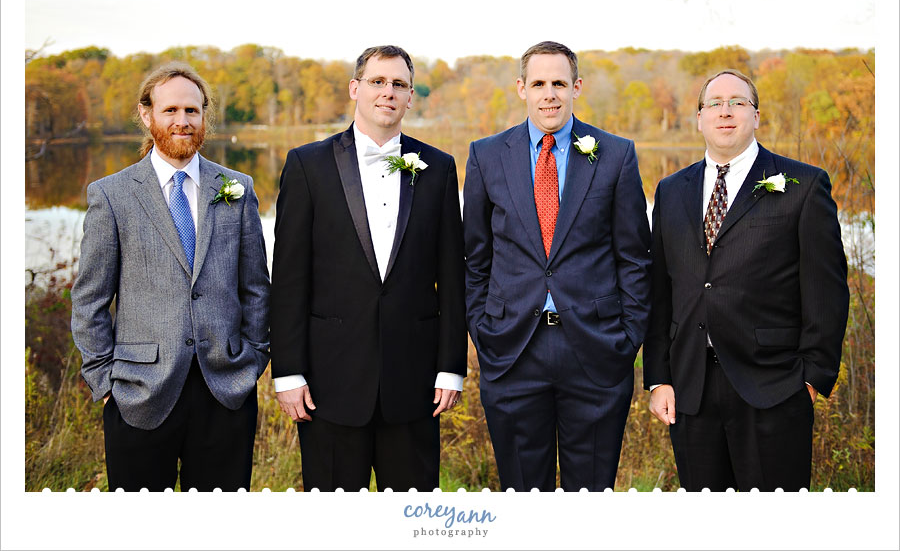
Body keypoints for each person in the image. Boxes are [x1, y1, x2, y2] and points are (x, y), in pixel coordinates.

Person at [269, 45, 467, 492]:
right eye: (378, 81)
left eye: (399, 84)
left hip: (415, 386)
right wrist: (288, 371)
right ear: (355, 89)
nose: (388, 92)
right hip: (328, 385)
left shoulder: (438, 167)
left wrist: (451, 367)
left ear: (411, 97)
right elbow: (289, 279)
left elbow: (453, 277)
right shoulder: (307, 164)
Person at [643, 69, 850, 491]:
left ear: (756, 116)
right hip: (691, 390)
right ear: (699, 118)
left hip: (774, 388)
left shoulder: (803, 186)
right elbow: (660, 292)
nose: (726, 111)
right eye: (714, 103)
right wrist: (659, 377)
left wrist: (811, 380)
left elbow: (827, 292)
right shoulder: (669, 190)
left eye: (738, 102)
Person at [70, 61, 271, 491]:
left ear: (204, 116)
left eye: (192, 111)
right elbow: (89, 299)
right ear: (147, 115)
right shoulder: (112, 195)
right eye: (171, 110)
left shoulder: (238, 187)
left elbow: (256, 287)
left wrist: (253, 359)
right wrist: (104, 379)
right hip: (138, 393)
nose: (182, 121)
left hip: (226, 388)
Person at [463, 41, 652, 491]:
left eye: (560, 84)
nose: (550, 94)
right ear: (521, 89)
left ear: (577, 87)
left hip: (595, 350)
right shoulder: (487, 155)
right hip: (511, 349)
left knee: (589, 494)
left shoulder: (615, 153)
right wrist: (482, 329)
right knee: (524, 492)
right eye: (539, 84)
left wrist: (627, 338)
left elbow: (634, 258)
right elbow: (475, 257)